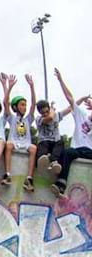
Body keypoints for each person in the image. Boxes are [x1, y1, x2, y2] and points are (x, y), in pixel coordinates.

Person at [52, 68, 92, 197]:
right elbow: (70, 98)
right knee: (67, 152)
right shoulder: (82, 115)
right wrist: (60, 80)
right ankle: (61, 184)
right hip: (78, 149)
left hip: (90, 152)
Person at [2, 73, 37, 192]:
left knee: (33, 148)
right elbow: (5, 103)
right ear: (16, 107)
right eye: (22, 105)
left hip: (25, 143)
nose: (25, 107)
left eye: (25, 105)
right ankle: (7, 174)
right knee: (8, 145)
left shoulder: (28, 119)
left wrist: (32, 87)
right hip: (14, 142)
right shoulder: (12, 118)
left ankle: (29, 178)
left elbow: (33, 104)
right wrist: (9, 86)